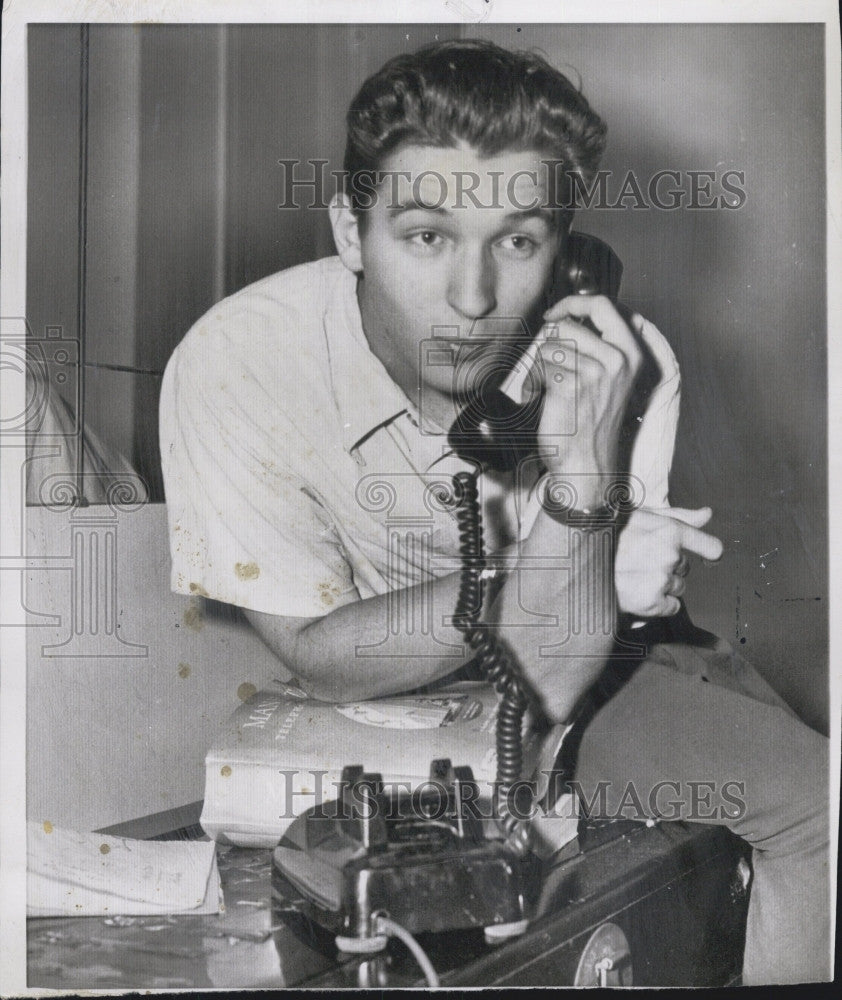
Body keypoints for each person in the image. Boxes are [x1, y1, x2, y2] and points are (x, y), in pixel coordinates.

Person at [160, 39, 829, 984]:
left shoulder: (617, 362)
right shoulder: (236, 363)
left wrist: (581, 478)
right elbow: (318, 653)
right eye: (426, 236)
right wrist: (550, 571)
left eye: (517, 242)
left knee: (816, 795)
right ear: (350, 231)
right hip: (362, 707)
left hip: (569, 688)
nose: (473, 301)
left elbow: (553, 683)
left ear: (563, 251)